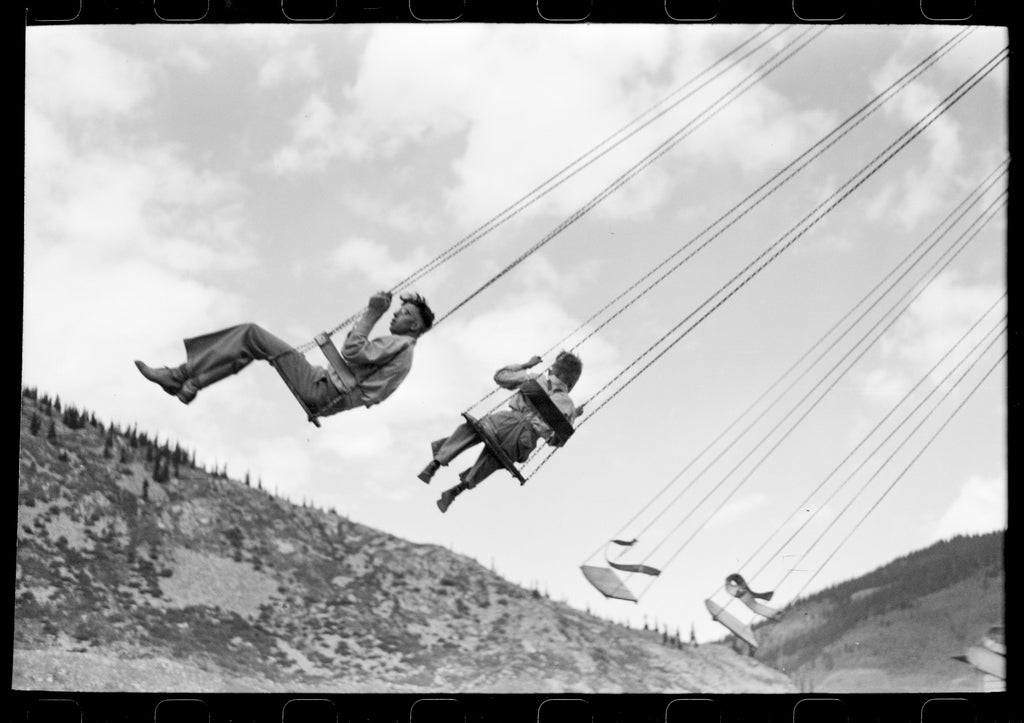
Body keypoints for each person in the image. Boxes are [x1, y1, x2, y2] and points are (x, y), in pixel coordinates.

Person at [134, 291, 434, 419]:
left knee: (251, 333)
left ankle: (178, 377)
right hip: (325, 390)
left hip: (322, 389)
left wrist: (373, 312)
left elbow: (352, 351)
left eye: (404, 313)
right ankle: (192, 385)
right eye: (396, 310)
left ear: (416, 325)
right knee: (251, 347)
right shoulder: (404, 355)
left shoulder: (400, 345)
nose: (396, 315)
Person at [418, 350, 583, 513]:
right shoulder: (568, 406)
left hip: (503, 423)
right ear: (571, 382)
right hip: (522, 442)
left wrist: (525, 365)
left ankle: (435, 463)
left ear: (555, 370)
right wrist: (572, 415)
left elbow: (500, 377)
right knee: (495, 459)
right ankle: (457, 489)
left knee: (471, 430)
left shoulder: (535, 378)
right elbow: (556, 441)